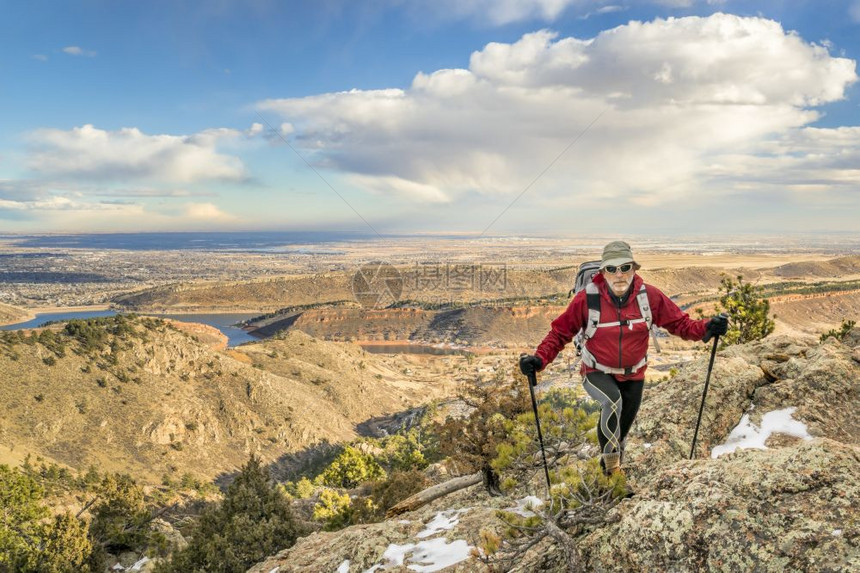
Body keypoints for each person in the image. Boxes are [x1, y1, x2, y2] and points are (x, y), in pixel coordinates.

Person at [519, 240, 728, 477]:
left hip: (634, 374)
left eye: (625, 267)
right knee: (612, 402)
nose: (619, 274)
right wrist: (539, 359)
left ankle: (608, 470)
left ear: (634, 268)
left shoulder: (649, 297)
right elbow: (560, 332)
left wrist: (708, 327)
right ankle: (612, 475)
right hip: (596, 370)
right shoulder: (587, 300)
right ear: (603, 272)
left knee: (620, 432)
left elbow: (680, 324)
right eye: (612, 269)